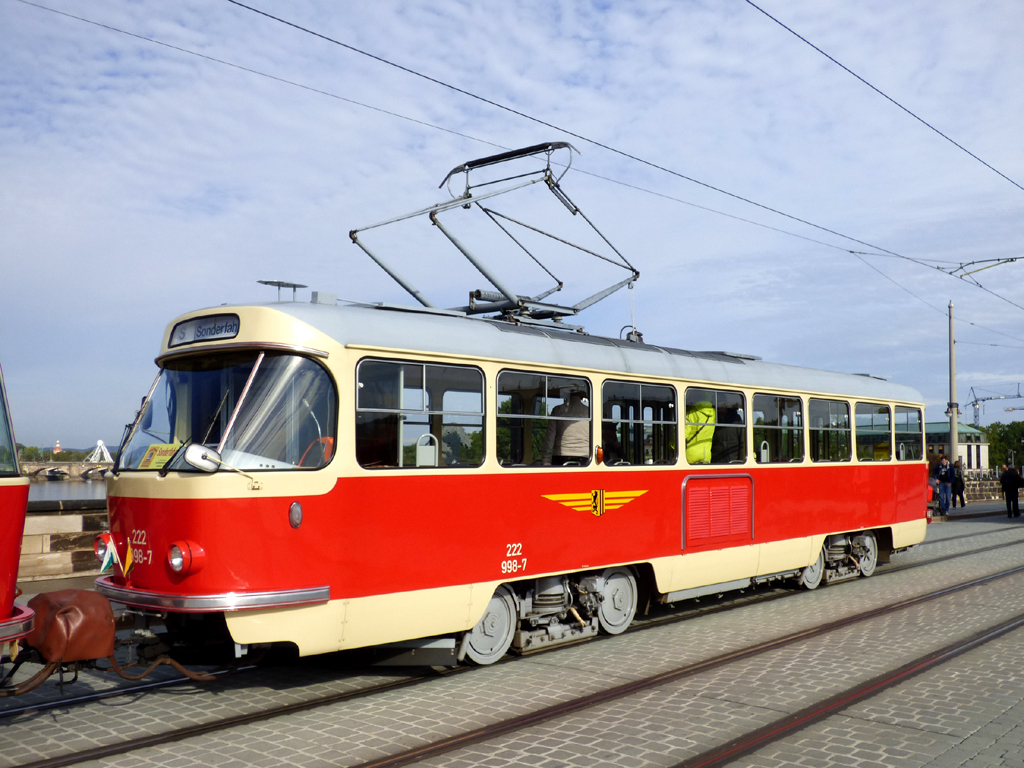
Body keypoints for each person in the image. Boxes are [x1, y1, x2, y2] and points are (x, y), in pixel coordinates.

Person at [542, 390, 590, 466]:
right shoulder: (589, 411)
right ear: (581, 396)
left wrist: (546, 460)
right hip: (584, 456)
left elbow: (550, 437)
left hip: (561, 456)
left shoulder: (557, 410)